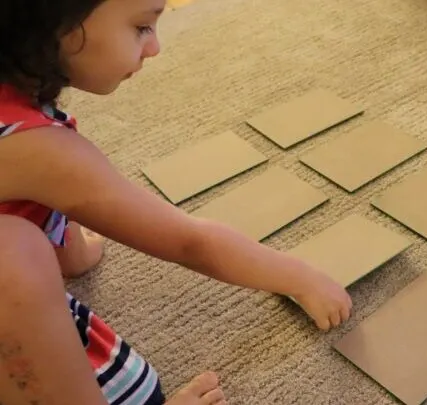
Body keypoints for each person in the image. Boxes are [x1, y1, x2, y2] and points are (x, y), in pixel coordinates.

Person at [0, 1, 353, 404]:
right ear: (57, 23)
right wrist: (299, 276)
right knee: (15, 259)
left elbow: (51, 193)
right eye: (142, 27)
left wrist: (73, 256)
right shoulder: (40, 151)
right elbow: (188, 242)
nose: (154, 48)